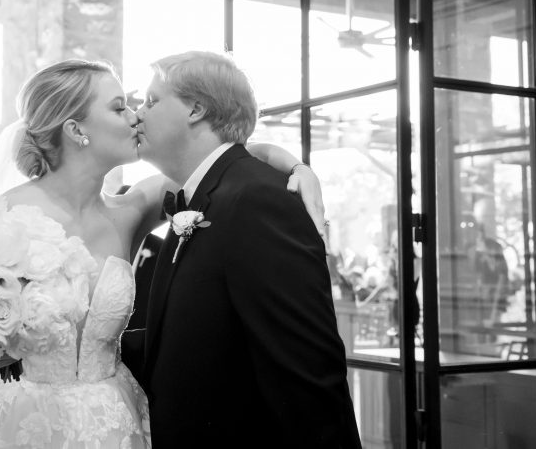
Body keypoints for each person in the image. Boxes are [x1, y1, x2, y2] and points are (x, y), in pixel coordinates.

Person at [0, 58, 326, 449]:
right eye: (119, 107)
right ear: (76, 130)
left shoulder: (131, 210)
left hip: (112, 419)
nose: (135, 116)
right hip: (20, 420)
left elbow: (232, 158)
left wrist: (298, 169)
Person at [126, 51, 361, 448]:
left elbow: (307, 370)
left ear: (196, 109)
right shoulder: (205, 194)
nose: (137, 115)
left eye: (151, 101)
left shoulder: (256, 199)